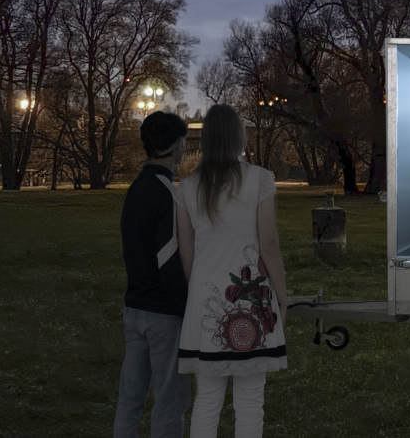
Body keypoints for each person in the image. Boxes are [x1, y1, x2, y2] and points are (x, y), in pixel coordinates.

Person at [175, 104, 287, 438]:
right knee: (251, 401)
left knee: (207, 401)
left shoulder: (187, 187)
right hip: (254, 299)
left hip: (205, 300)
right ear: (239, 137)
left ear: (204, 140)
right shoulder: (260, 180)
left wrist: (196, 294)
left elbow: (186, 252)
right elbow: (268, 244)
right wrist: (282, 298)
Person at [115, 112, 190, 438]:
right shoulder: (168, 195)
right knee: (169, 401)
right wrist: (186, 310)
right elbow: (170, 262)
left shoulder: (135, 190)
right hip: (163, 314)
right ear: (178, 146)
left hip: (134, 309)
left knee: (129, 399)